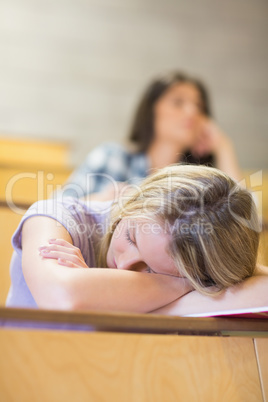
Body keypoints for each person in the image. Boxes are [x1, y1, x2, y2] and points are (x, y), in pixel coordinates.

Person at [6, 165, 267, 321]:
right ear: (132, 201)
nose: (124, 265)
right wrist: (186, 288)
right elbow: (63, 297)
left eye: (151, 270)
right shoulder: (56, 215)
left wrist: (101, 294)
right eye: (131, 237)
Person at [57, 71, 242, 199]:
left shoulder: (200, 182)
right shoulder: (112, 156)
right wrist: (104, 201)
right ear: (151, 111)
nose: (192, 112)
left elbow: (244, 221)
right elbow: (58, 208)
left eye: (199, 106)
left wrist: (224, 147)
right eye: (178, 102)